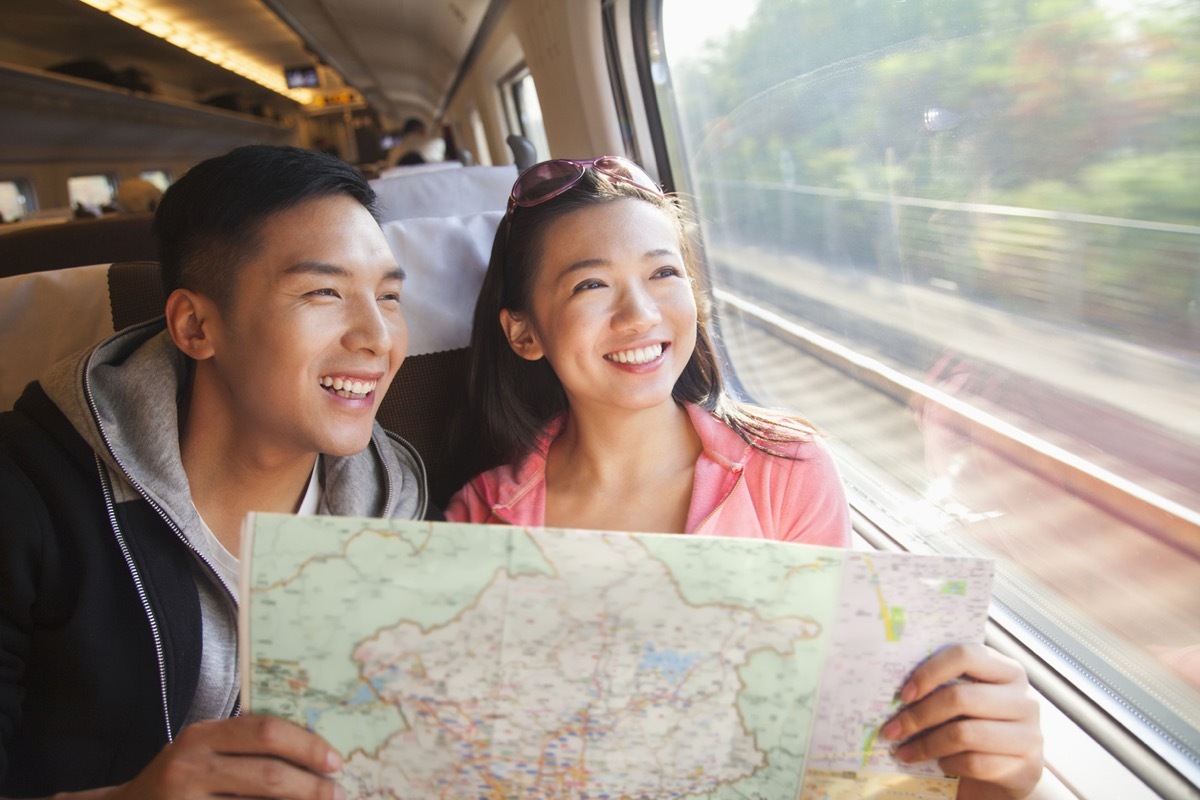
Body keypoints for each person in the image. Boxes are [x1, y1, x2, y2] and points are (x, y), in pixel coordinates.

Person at [443, 156, 1044, 798]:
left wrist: (1000, 778)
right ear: (523, 331)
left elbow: (837, 741)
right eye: (591, 285)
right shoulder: (482, 517)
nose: (640, 313)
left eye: (663, 273)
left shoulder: (786, 471)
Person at [0, 144, 427, 798]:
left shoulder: (399, 510)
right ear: (197, 325)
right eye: (323, 292)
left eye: (389, 296)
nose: (377, 336)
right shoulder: (28, 496)